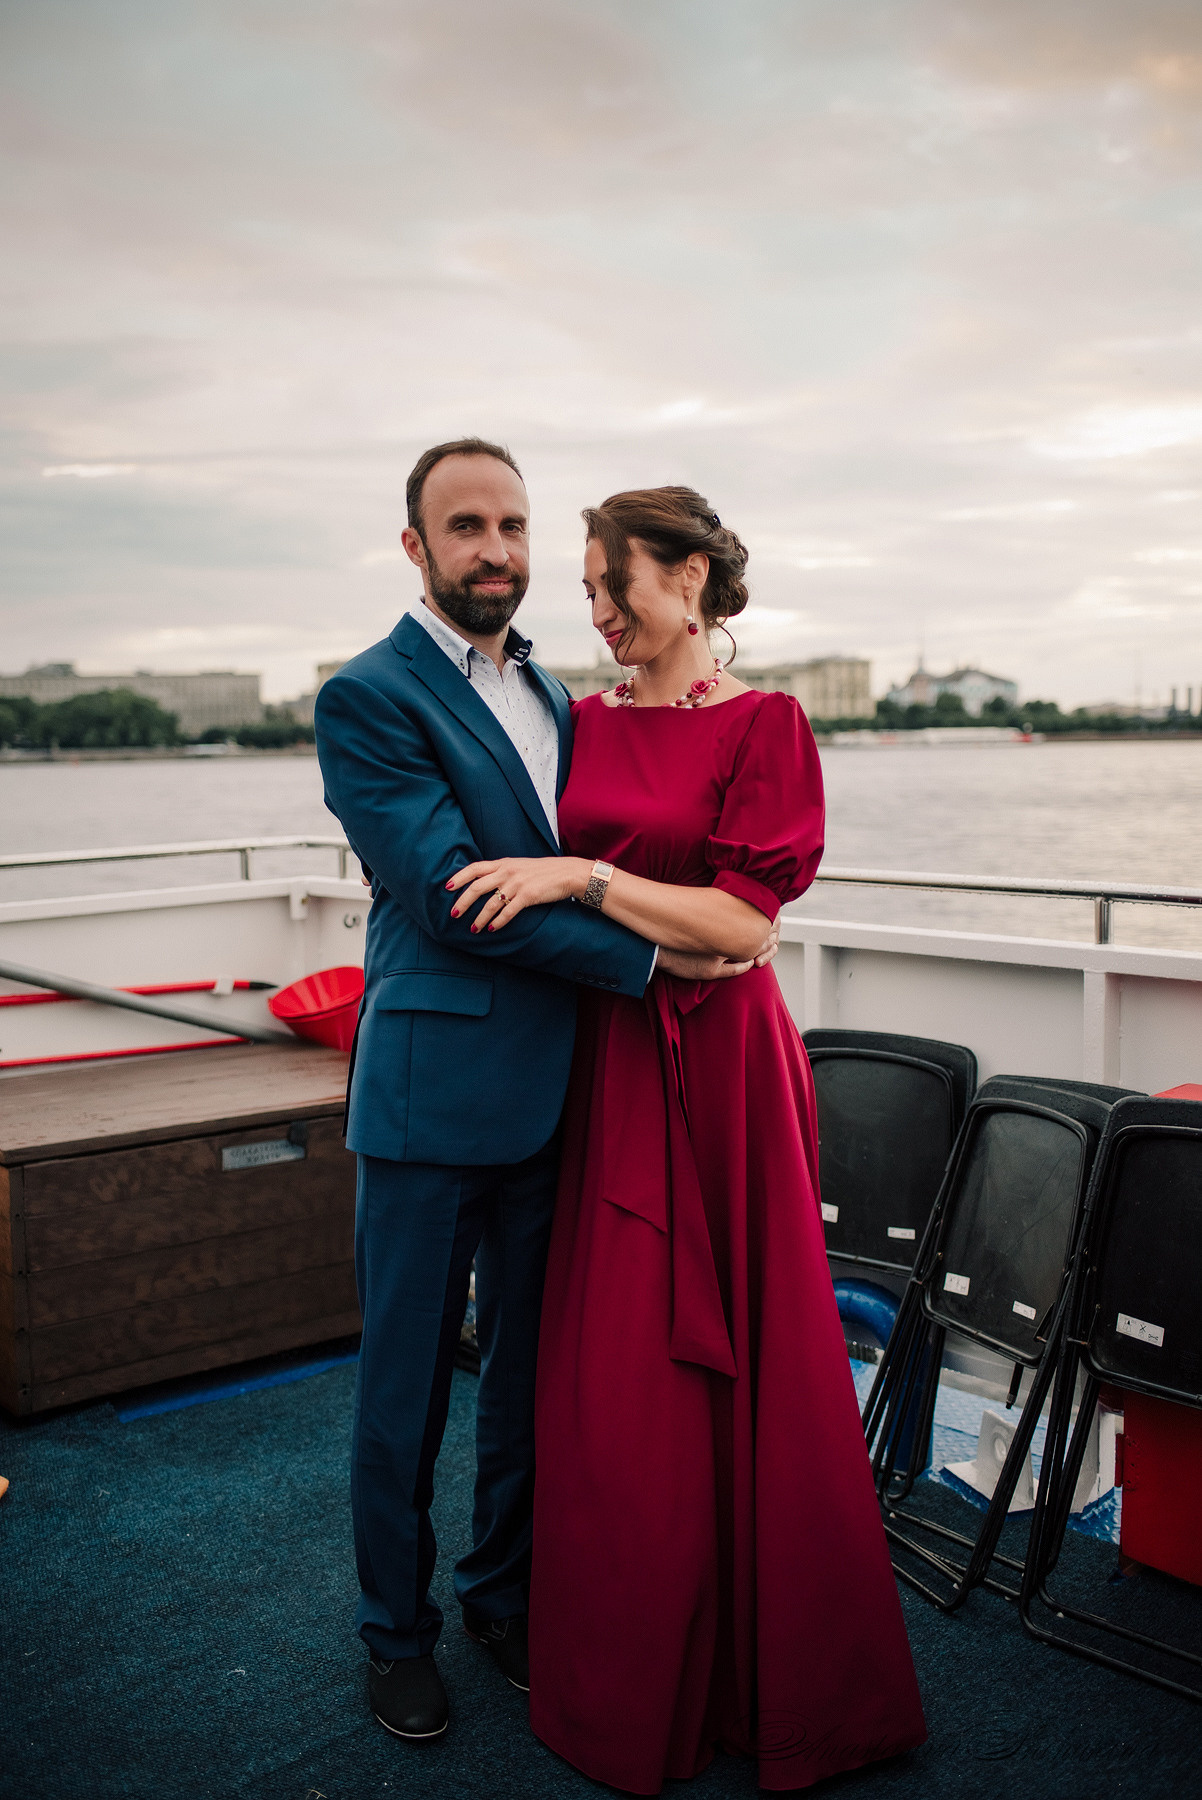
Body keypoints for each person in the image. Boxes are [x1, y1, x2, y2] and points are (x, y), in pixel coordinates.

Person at [445, 486, 927, 1792]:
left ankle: (776, 1685)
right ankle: (632, 1674)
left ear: (696, 578)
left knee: (755, 1363)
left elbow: (746, 925)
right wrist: (641, 921)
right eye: (587, 592)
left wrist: (589, 880)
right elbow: (651, 912)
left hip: (722, 1077)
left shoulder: (768, 722)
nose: (596, 613)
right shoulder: (570, 721)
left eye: (619, 587)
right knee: (611, 1379)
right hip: (603, 1059)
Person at [314, 442, 773, 1744]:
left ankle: (497, 1598)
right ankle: (392, 1636)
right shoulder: (369, 699)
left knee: (526, 1379)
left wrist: (676, 916)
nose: (495, 550)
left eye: (511, 524)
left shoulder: (562, 698)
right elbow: (457, 895)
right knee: (404, 1387)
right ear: (415, 546)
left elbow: (603, 847)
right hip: (425, 1098)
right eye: (465, 526)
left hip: (559, 1095)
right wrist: (657, 958)